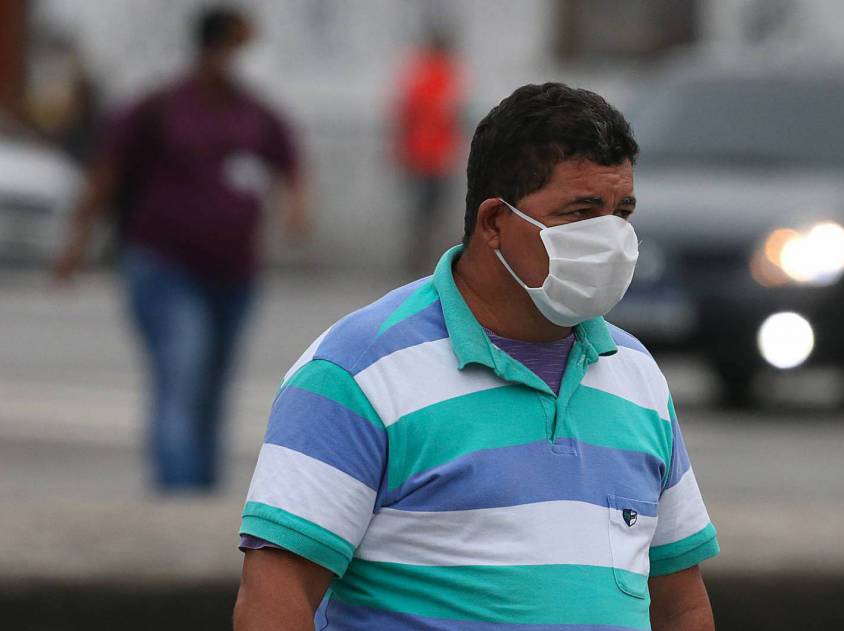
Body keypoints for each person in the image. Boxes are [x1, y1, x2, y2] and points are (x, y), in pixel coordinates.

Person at [234, 83, 719, 630]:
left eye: (620, 212)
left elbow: (681, 602)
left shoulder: (635, 375)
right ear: (493, 223)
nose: (609, 238)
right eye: (581, 213)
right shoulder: (359, 372)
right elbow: (274, 597)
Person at [53, 6, 309, 492]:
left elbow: (291, 163)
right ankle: (177, 494)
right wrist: (76, 245)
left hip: (234, 273)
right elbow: (106, 175)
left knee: (213, 387)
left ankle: (201, 498)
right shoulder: (161, 107)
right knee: (181, 370)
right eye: (241, 45)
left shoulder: (257, 114)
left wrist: (296, 209)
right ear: (214, 49)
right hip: (165, 264)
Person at [391, 27, 463, 275]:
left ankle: (421, 261)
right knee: (428, 214)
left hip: (426, 156)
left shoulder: (423, 73)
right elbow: (447, 114)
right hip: (431, 158)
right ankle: (424, 262)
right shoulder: (438, 74)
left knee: (426, 214)